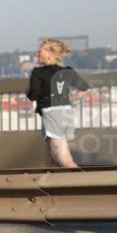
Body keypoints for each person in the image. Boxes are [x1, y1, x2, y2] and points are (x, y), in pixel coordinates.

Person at [27, 39, 90, 169]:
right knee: (48, 159)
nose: (37, 53)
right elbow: (85, 88)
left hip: (52, 113)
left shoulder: (38, 72)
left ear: (50, 53)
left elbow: (32, 95)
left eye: (40, 51)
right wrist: (69, 99)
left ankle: (83, 182)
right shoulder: (67, 70)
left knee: (63, 158)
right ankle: (51, 181)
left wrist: (27, 91)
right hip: (65, 112)